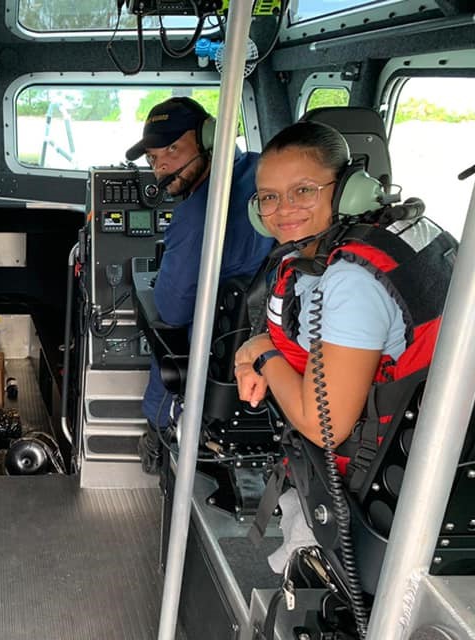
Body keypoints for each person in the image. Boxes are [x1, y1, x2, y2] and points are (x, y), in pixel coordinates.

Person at [232, 121, 455, 574]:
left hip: (387, 491)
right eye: (269, 197)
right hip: (435, 457)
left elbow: (324, 426)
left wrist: (261, 352)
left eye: (304, 190)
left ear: (349, 189)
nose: (283, 210)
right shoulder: (400, 233)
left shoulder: (350, 282)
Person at [125, 97, 273, 471]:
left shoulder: (194, 216)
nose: (161, 167)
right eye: (153, 158)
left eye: (173, 149)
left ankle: (159, 435)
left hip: (218, 355)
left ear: (210, 137)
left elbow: (173, 308)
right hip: (271, 341)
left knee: (166, 336)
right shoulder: (266, 171)